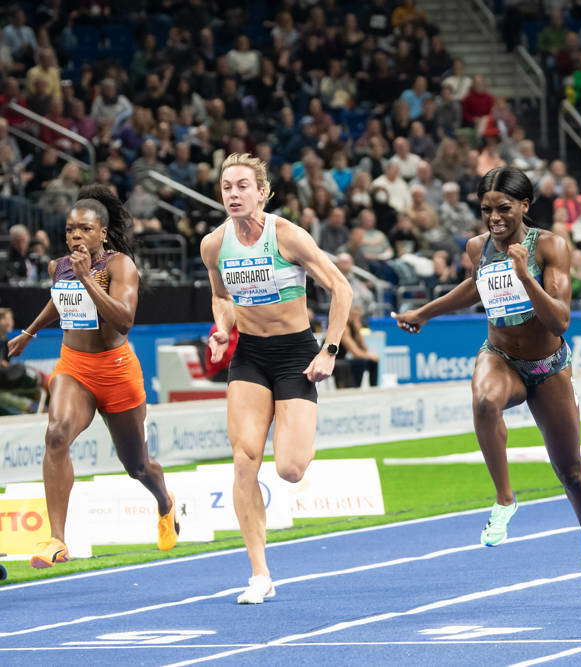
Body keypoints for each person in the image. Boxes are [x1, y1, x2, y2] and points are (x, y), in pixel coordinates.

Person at [392, 166, 581, 603]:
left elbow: (560, 319)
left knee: (570, 472)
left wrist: (524, 274)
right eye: (486, 209)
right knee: (483, 400)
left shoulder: (551, 246)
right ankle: (505, 498)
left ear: (525, 206)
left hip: (548, 365)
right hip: (501, 357)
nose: (494, 217)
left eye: (504, 208)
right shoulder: (477, 247)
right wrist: (425, 313)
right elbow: (472, 288)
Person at [200, 153, 353, 604]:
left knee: (289, 468)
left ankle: (293, 434)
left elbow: (341, 288)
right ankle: (259, 574)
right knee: (244, 459)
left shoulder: (287, 235)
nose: (234, 194)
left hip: (296, 355)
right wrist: (223, 329)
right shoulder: (214, 244)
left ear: (262, 192)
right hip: (249, 356)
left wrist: (330, 349)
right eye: (227, 187)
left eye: (243, 186)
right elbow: (220, 296)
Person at [6, 185, 179, 568]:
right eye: (70, 229)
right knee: (55, 435)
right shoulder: (60, 267)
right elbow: (59, 298)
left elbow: (125, 320)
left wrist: (87, 278)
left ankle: (165, 503)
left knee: (137, 466)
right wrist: (30, 332)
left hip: (116, 370)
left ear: (101, 233)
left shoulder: (121, 266)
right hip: (75, 367)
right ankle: (56, 540)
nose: (75, 236)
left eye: (84, 229)